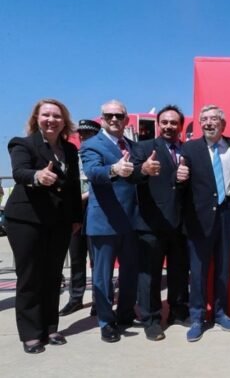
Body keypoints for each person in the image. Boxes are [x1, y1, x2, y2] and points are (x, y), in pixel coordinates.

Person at [4, 98, 82, 354]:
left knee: (53, 275)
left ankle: (50, 327)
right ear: (36, 119)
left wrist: (76, 218)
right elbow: (20, 172)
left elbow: (73, 186)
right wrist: (37, 176)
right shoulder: (22, 144)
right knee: (30, 276)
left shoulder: (70, 150)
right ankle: (31, 333)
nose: (51, 120)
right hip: (27, 219)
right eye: (46, 115)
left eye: (57, 116)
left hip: (59, 221)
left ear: (64, 121)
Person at [80, 99, 139, 343]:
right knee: (103, 276)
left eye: (119, 115)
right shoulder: (91, 145)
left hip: (131, 220)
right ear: (102, 119)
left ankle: (125, 313)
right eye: (109, 115)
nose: (114, 119)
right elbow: (93, 172)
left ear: (126, 119)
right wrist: (114, 169)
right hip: (104, 221)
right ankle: (106, 321)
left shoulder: (133, 146)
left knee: (130, 272)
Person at [181, 104, 230, 342]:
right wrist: (178, 177)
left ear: (223, 124)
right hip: (199, 217)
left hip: (227, 214)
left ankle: (220, 313)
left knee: (224, 269)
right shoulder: (190, 148)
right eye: (204, 119)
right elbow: (181, 181)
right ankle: (196, 318)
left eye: (213, 119)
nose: (208, 123)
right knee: (198, 271)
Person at [132, 105, 191, 341]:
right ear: (158, 124)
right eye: (164, 122)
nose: (169, 126)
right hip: (151, 223)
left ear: (181, 126)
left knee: (179, 272)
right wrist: (143, 169)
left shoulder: (186, 150)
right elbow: (132, 175)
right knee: (150, 275)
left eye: (174, 122)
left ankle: (178, 312)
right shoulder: (144, 148)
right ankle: (151, 320)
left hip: (179, 224)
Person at [59, 119, 101, 318]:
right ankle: (75, 298)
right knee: (76, 258)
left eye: (88, 134)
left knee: (97, 260)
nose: (83, 137)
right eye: (81, 134)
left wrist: (83, 196)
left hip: (95, 211)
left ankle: (99, 300)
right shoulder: (72, 156)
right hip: (75, 213)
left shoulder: (100, 154)